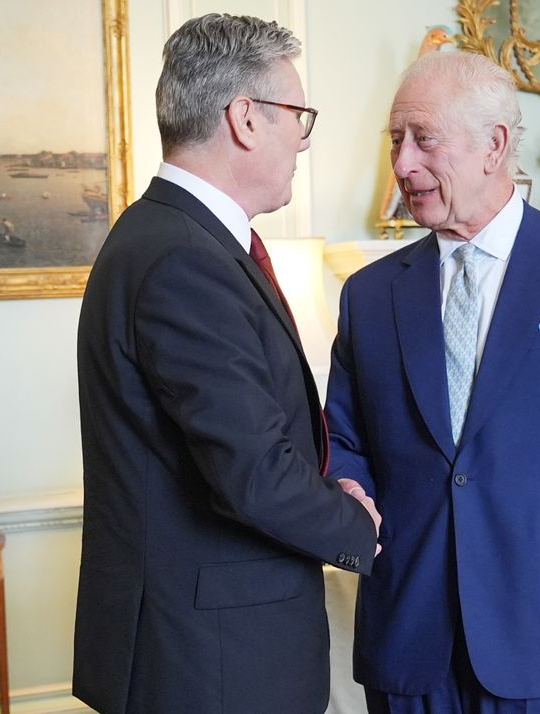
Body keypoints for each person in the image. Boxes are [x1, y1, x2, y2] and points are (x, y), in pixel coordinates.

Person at [325, 51, 540, 714]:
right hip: (409, 641)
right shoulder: (369, 295)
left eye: (422, 139)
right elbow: (341, 437)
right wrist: (348, 488)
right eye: (395, 142)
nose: (402, 164)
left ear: (494, 145)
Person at [73, 14, 381, 714]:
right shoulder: (185, 259)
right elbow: (251, 473)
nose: (302, 142)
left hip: (204, 648)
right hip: (210, 663)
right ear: (244, 117)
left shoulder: (171, 237)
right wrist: (358, 523)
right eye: (297, 117)